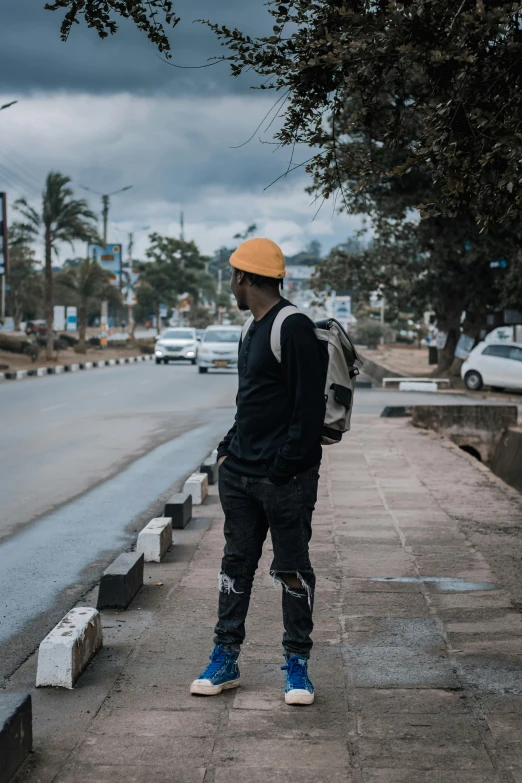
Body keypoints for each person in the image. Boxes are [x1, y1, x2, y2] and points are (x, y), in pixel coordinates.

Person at [190, 238, 327, 705]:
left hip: (284, 480)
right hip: (241, 476)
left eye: (233, 277)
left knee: (292, 570)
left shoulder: (294, 328)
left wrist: (281, 469)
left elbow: (309, 412)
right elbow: (251, 404)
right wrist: (227, 452)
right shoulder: (252, 329)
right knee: (236, 566)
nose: (232, 285)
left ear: (244, 279)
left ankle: (298, 667)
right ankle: (225, 658)